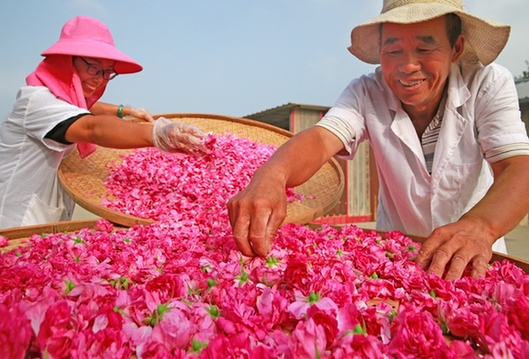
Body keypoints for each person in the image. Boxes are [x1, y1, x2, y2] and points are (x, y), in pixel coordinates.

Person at [228, 0, 529, 280]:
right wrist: (272, 174)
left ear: (456, 48)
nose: (408, 66)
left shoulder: (487, 83)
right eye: (393, 50)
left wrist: (479, 227)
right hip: (399, 258)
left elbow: (517, 167)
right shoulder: (366, 92)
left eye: (425, 49)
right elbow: (322, 138)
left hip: (471, 252)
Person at [0, 16, 207, 229]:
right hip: (15, 224)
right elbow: (93, 128)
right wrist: (159, 133)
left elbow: (89, 107)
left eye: (108, 72)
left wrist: (125, 110)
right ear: (66, 61)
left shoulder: (65, 100)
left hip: (47, 221)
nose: (99, 79)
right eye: (94, 68)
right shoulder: (36, 101)